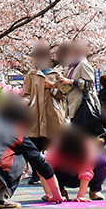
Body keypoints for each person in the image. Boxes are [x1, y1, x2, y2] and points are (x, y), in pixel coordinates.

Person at [21, 41, 65, 183]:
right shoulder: (31, 75)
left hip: (52, 114)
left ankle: (54, 172)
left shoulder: (57, 74)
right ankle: (36, 173)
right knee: (34, 145)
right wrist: (27, 102)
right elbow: (26, 93)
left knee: (54, 144)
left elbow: (63, 94)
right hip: (34, 114)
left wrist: (52, 87)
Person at [46, 124, 106, 202]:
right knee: (46, 167)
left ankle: (94, 190)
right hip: (63, 176)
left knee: (103, 160)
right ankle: (60, 191)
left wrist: (80, 196)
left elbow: (86, 171)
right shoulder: (56, 148)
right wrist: (50, 194)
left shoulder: (87, 147)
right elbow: (44, 170)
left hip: (84, 179)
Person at [60, 42, 101, 136]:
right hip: (73, 104)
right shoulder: (73, 66)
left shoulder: (83, 64)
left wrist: (72, 82)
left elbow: (90, 84)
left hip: (82, 104)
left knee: (84, 135)